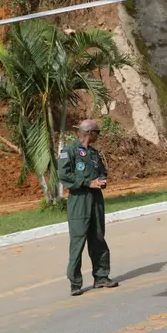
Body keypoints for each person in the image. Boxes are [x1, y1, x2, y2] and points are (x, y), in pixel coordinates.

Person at [58, 119, 119, 296]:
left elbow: (102, 171)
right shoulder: (68, 151)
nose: (98, 136)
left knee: (98, 237)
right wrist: (87, 183)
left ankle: (101, 276)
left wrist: (102, 180)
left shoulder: (93, 153)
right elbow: (64, 175)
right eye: (97, 133)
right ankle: (75, 283)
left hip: (96, 200)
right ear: (89, 133)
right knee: (78, 241)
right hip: (79, 200)